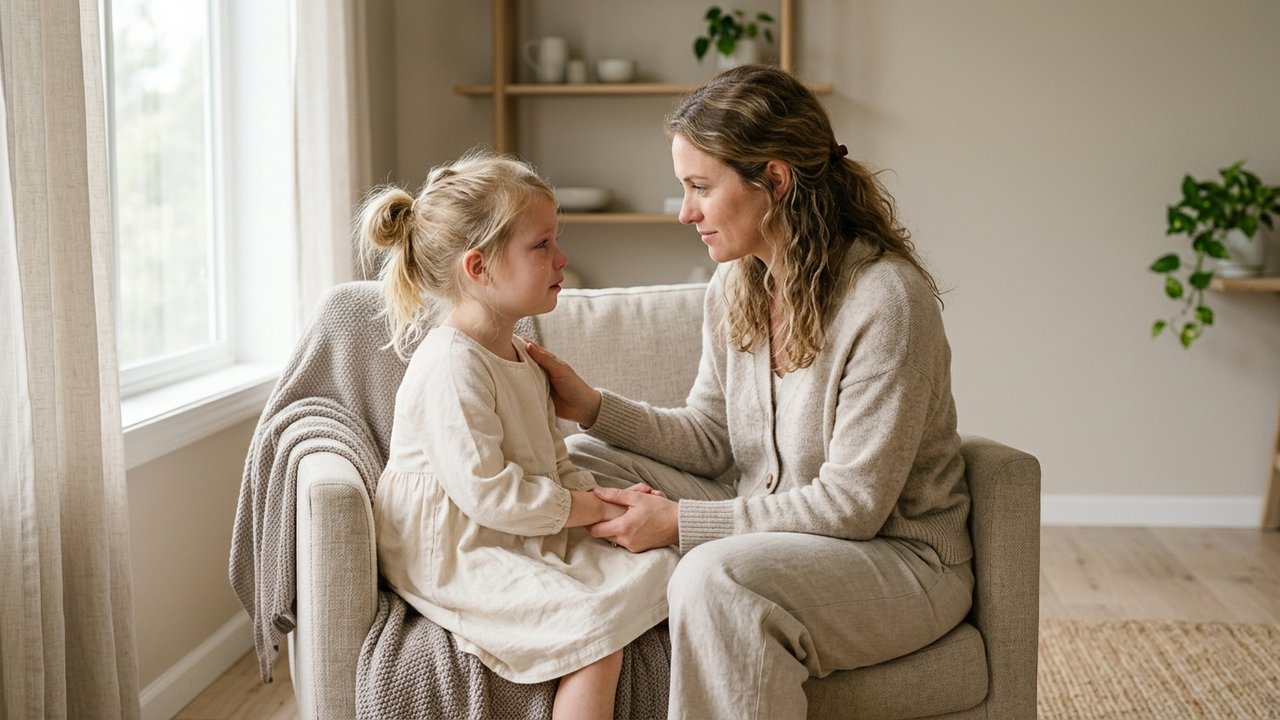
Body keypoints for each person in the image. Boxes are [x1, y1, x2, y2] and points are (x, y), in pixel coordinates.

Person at [525, 64, 975, 720]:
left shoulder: (886, 300)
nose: (686, 212)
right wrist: (590, 405)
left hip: (896, 560)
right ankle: (598, 634)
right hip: (766, 512)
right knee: (584, 463)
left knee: (716, 576)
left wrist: (680, 524)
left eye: (700, 187)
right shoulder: (738, 283)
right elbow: (712, 440)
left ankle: (667, 590)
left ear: (775, 179)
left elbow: (853, 506)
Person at [359, 151, 679, 720]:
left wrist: (609, 506)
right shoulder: (452, 366)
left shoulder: (523, 354)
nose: (562, 258)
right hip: (453, 545)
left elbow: (554, 460)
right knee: (592, 627)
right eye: (542, 246)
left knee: (664, 570)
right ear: (478, 268)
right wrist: (588, 507)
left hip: (510, 520)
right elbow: (490, 493)